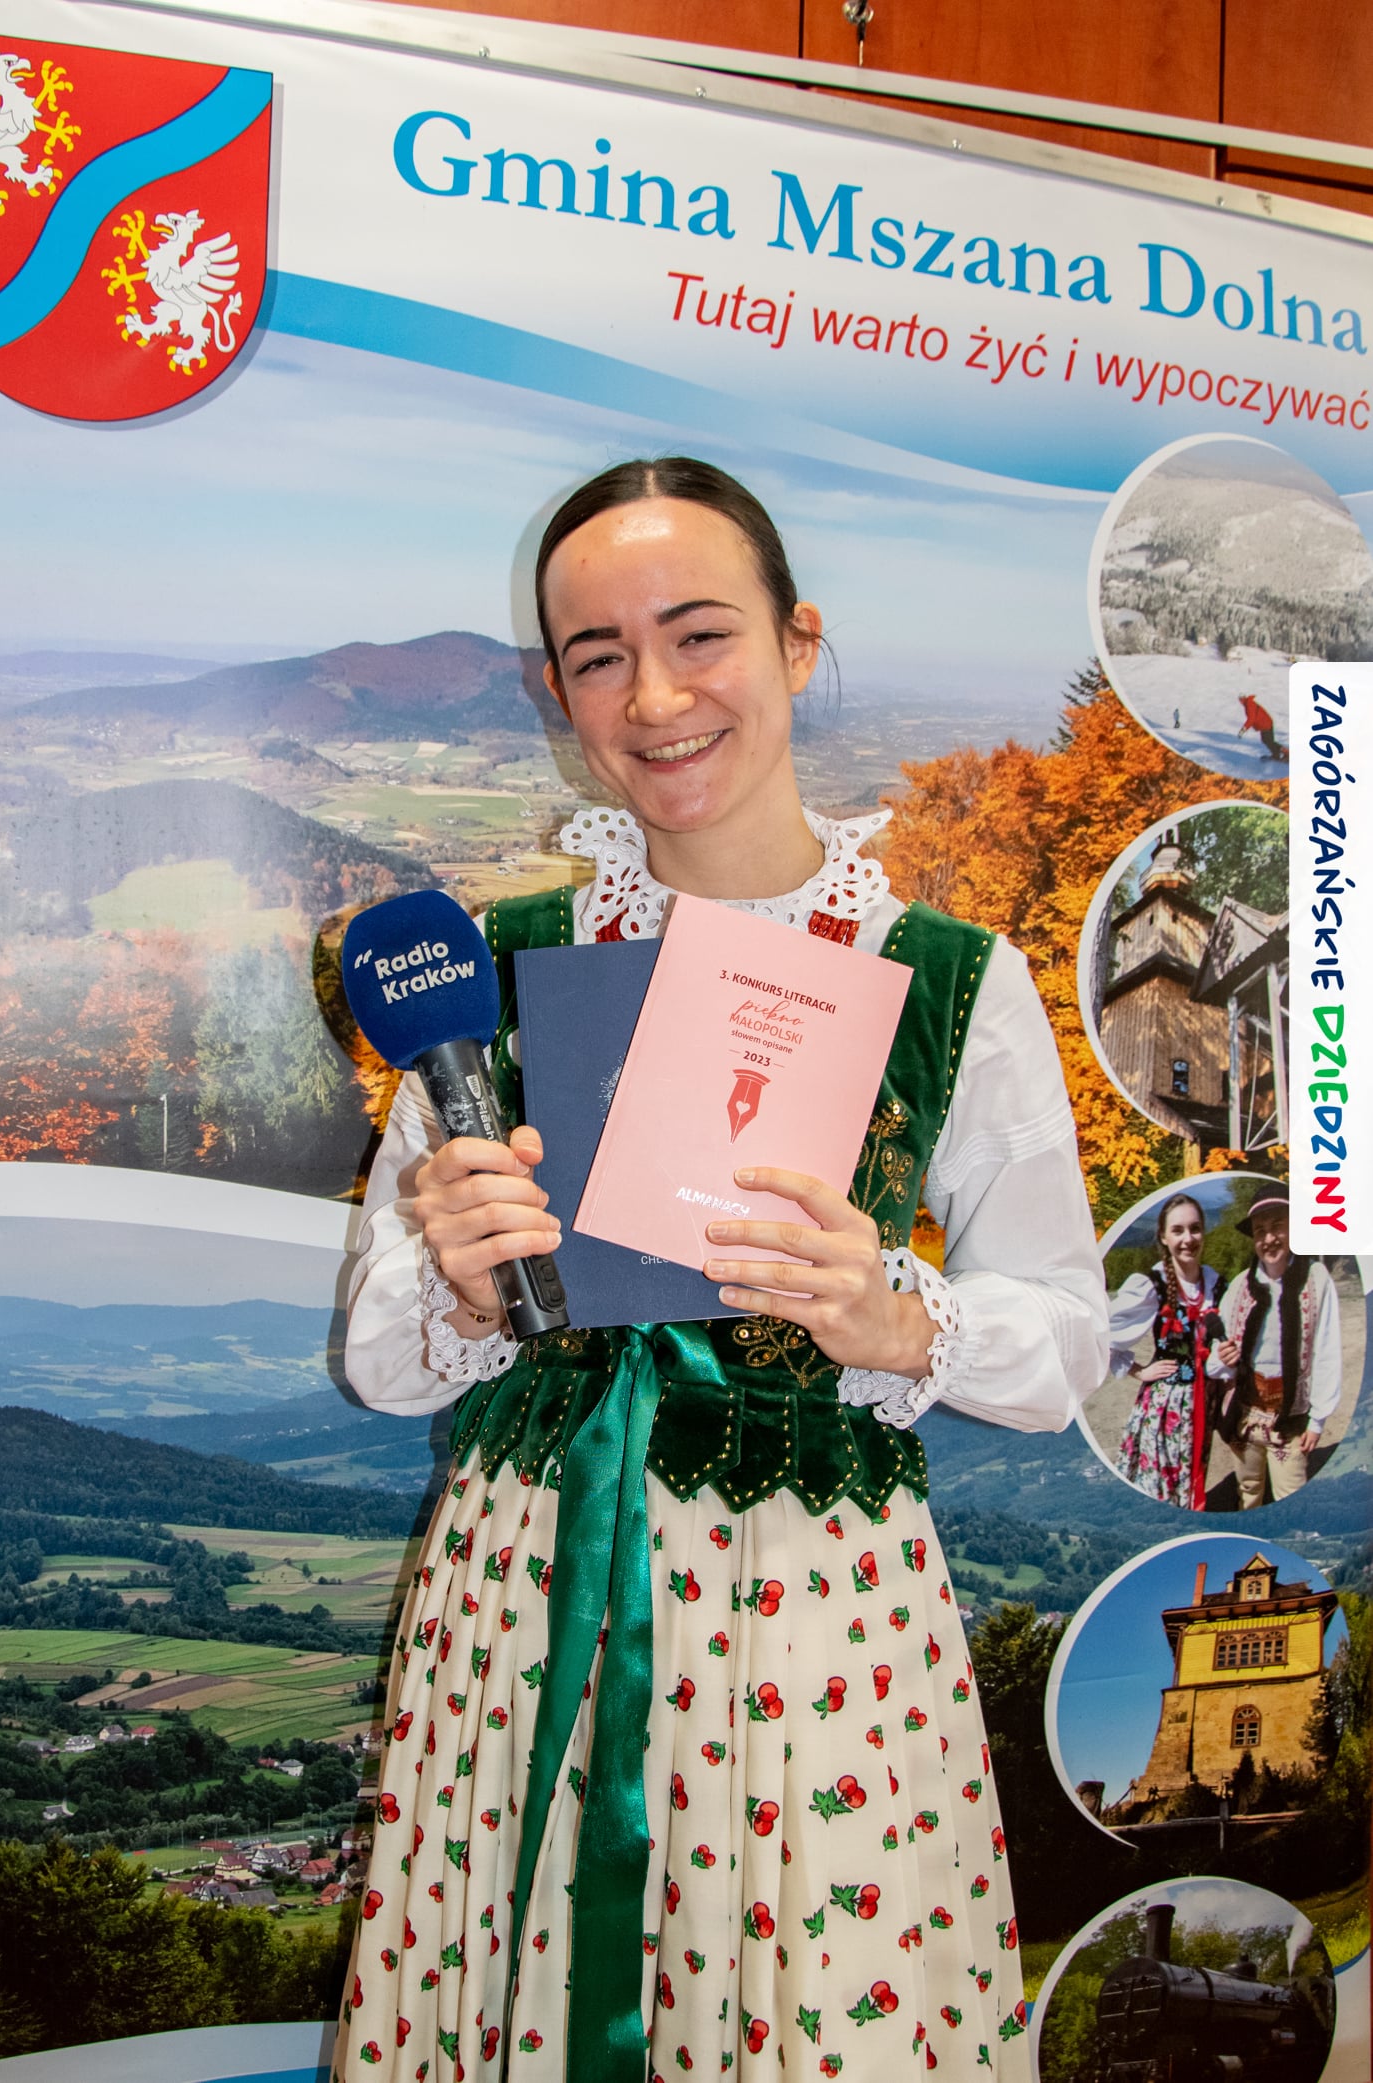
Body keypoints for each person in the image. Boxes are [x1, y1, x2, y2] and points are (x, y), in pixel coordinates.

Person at [334, 458, 1109, 2083]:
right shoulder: (496, 969)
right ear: (558, 693)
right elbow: (378, 1360)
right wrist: (456, 1283)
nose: (655, 695)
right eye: (599, 654)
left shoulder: (946, 978)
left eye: (699, 634)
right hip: (532, 1598)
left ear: (796, 641)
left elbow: (1063, 1347)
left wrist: (898, 1316)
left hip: (817, 1621)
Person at [1207, 1190, 1341, 1508]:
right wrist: (1223, 1359)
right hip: (1246, 1414)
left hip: (1289, 1417)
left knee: (1290, 1496)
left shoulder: (1316, 1279)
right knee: (1248, 1490)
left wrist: (1317, 1420)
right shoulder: (1241, 1286)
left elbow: (1327, 1350)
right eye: (1260, 1231)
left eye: (1277, 1226)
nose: (1269, 1238)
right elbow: (1216, 1356)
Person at [1106, 1193, 1226, 1510]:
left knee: (1191, 1481)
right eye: (1178, 1230)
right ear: (1163, 1236)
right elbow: (1100, 1333)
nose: (1188, 1239)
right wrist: (1138, 1371)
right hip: (1165, 1408)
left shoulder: (1216, 1284)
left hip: (1205, 1403)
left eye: (1195, 1228)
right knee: (1161, 1489)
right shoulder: (1152, 1285)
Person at [1237, 692, 1286, 761]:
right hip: (1265, 723)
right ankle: (1276, 754)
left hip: (1265, 724)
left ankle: (1284, 753)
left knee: (1268, 741)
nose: (1240, 702)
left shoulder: (1249, 705)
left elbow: (1251, 719)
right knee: (1267, 740)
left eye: (1241, 699)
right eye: (1240, 700)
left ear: (1243, 699)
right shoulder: (1249, 703)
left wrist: (1243, 729)